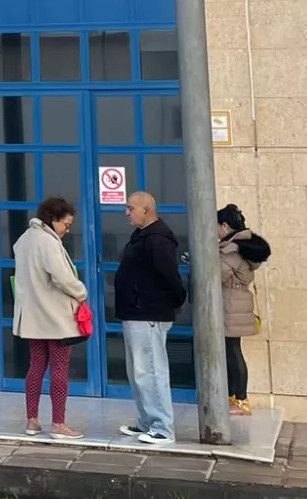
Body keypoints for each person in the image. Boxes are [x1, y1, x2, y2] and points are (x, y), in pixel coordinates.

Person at [12, 196, 88, 440]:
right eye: (66, 223)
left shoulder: (24, 240)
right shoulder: (48, 242)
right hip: (55, 317)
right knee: (60, 366)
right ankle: (59, 423)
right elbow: (61, 277)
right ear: (52, 220)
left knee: (36, 366)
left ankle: (32, 421)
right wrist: (81, 291)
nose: (67, 229)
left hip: (32, 316)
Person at [114, 191, 186, 446]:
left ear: (147, 210)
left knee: (151, 371)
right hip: (135, 313)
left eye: (131, 208)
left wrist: (176, 300)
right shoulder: (141, 236)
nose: (127, 213)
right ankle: (147, 421)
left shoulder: (158, 240)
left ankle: (163, 427)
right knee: (137, 372)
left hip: (149, 314)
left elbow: (170, 276)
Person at [218, 204, 271, 418]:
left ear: (225, 226)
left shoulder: (232, 249)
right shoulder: (241, 246)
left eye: (216, 226)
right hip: (237, 303)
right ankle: (235, 397)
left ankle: (240, 400)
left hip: (231, 305)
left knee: (232, 352)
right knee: (232, 350)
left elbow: (218, 274)